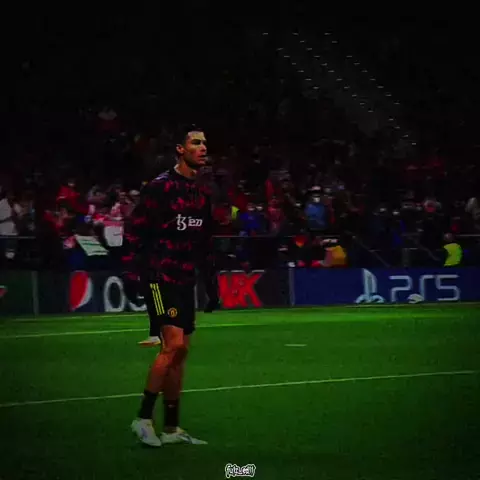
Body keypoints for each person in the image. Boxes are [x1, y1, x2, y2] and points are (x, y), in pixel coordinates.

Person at [122, 125, 219, 447]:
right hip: (159, 276)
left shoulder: (202, 193)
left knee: (181, 353)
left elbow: (205, 242)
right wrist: (132, 273)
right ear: (180, 149)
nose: (202, 148)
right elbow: (135, 230)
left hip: (186, 278)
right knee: (173, 345)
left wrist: (211, 284)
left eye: (204, 143)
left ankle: (172, 428)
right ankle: (142, 419)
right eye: (196, 143)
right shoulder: (160, 187)